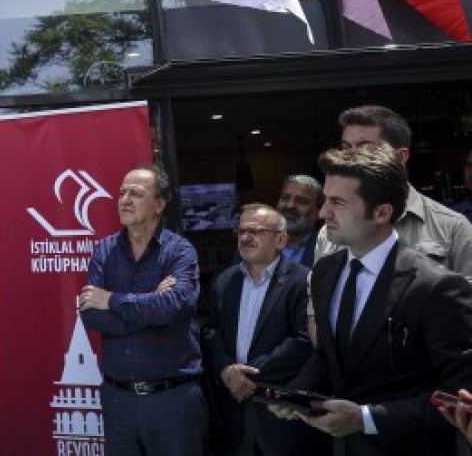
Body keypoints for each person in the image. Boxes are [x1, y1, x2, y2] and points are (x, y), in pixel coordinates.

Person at [276, 144, 472, 455]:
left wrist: (366, 418)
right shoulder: (325, 272)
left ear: (382, 212)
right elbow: (328, 355)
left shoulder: (437, 287)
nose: (323, 212)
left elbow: (459, 399)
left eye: (337, 202)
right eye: (326, 199)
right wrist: (295, 394)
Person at [78, 165, 206, 456]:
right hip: (118, 401)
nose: (125, 199)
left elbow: (173, 307)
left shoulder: (180, 252)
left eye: (136, 193)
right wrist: (150, 305)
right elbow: (90, 313)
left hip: (172, 401)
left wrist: (111, 300)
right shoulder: (104, 251)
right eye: (122, 192)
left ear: (159, 204)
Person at [202, 203, 320, 456]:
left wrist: (248, 375)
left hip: (280, 410)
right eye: (242, 231)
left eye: (255, 231)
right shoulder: (225, 280)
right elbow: (211, 330)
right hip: (235, 412)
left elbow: (303, 340)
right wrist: (225, 369)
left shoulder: (303, 280)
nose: (245, 237)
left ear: (281, 240)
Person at [314, 105, 472, 275]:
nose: (351, 158)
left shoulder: (452, 228)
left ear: (401, 156)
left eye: (365, 148)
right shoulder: (330, 232)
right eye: (346, 148)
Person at [278, 174, 322, 267]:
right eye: (285, 198)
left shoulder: (327, 251)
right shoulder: (260, 242)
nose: (290, 206)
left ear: (319, 211)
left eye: (301, 201)